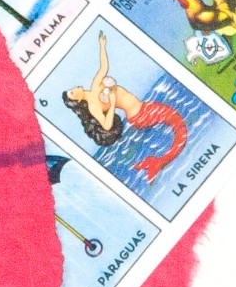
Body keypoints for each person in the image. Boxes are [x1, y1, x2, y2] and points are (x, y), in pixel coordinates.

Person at [62, 30, 187, 183]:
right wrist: (112, 103)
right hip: (140, 114)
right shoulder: (93, 106)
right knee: (179, 125)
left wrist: (102, 46)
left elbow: (103, 67)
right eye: (72, 93)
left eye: (71, 90)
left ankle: (157, 162)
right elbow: (106, 125)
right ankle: (157, 163)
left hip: (143, 108)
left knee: (179, 125)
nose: (74, 89)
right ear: (77, 100)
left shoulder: (95, 86)